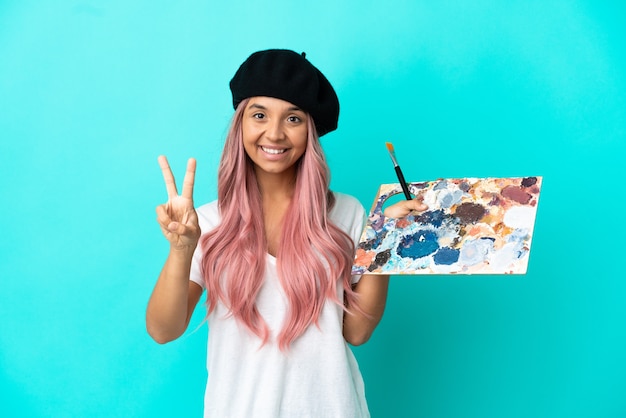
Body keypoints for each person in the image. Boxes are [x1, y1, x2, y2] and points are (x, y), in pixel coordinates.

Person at [146, 49, 426, 418]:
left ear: (309, 132)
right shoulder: (207, 222)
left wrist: (384, 239)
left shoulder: (347, 212)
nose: (274, 133)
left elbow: (356, 333)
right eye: (259, 115)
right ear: (240, 124)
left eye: (293, 118)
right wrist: (182, 250)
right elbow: (163, 330)